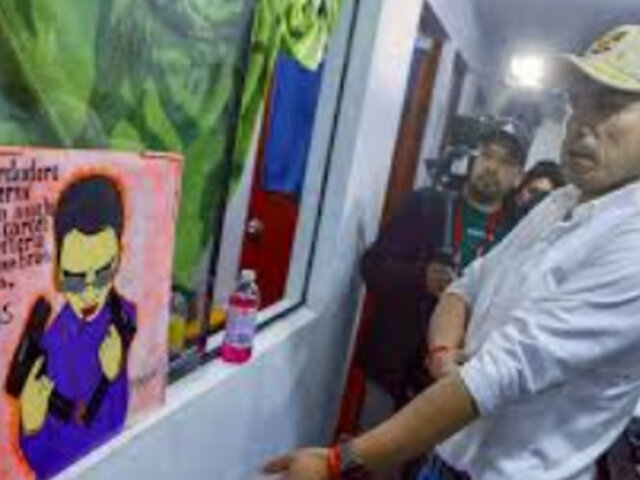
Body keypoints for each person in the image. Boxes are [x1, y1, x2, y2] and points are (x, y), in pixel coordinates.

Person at [263, 23, 640, 480]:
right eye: (577, 101)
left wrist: (337, 463)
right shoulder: (558, 203)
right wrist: (443, 356)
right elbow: (466, 286)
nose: (581, 122)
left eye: (609, 104)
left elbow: (503, 371)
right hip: (442, 446)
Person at [357, 119, 528, 414]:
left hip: (464, 381)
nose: (492, 167)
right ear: (474, 159)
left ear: (518, 177)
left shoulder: (520, 235)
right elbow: (371, 267)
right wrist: (420, 277)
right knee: (374, 441)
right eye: (487, 155)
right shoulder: (425, 205)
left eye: (505, 162)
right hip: (393, 368)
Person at [12, 175, 137, 479]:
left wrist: (114, 376)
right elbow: (50, 465)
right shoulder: (51, 349)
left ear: (119, 258)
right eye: (76, 278)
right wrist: (32, 427)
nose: (90, 292)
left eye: (103, 273)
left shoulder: (123, 315)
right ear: (58, 272)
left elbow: (117, 425)